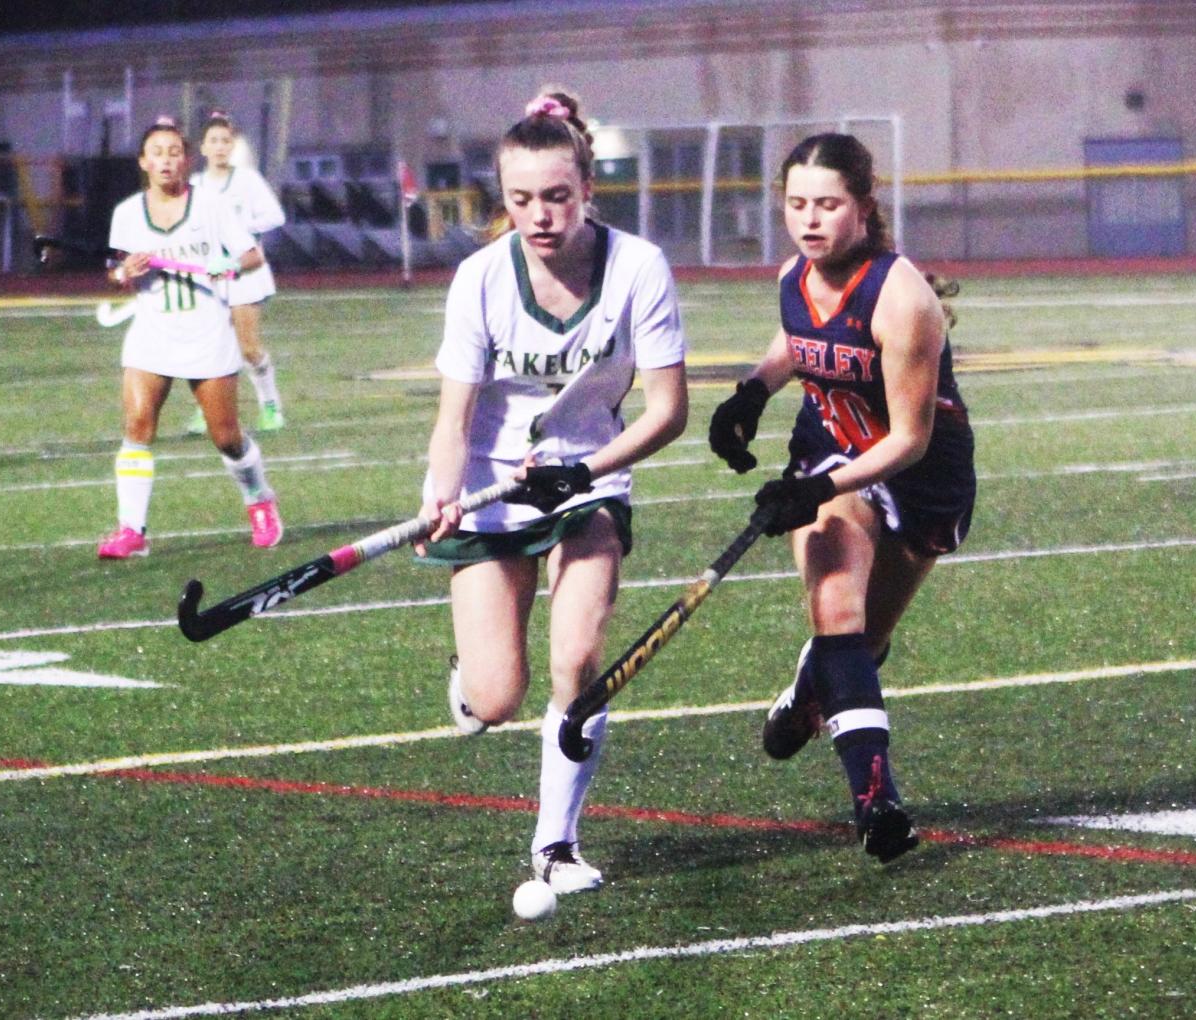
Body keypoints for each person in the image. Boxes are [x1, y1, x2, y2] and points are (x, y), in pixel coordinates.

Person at [414, 90, 689, 894]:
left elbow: (668, 412)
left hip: (587, 481)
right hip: (489, 487)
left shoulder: (638, 267)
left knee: (579, 658)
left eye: (557, 196)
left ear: (587, 191)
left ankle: (554, 845)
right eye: (522, 199)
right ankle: (471, 673)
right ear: (502, 200)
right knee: (497, 698)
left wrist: (588, 474)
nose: (541, 215)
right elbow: (453, 418)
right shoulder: (479, 279)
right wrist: (440, 495)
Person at [708, 132, 976, 863]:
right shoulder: (794, 274)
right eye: (796, 204)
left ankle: (810, 690)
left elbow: (908, 441)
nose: (809, 219)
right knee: (836, 611)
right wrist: (751, 391)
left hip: (919, 473)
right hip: (830, 444)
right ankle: (876, 803)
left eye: (827, 204)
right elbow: (799, 337)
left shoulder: (902, 299)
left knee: (867, 641)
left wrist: (812, 491)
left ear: (863, 206)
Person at [98, 115, 284, 559]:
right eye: (157, 153)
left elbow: (252, 255)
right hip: (151, 336)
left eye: (174, 153)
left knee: (227, 437)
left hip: (206, 336)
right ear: (144, 162)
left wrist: (229, 267)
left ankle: (260, 500)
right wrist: (126, 272)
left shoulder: (212, 207)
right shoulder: (127, 213)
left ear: (187, 160)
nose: (166, 161)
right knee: (138, 428)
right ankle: (132, 531)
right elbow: (114, 273)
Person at [187, 109, 288, 435]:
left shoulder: (247, 180)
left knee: (248, 348)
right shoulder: (193, 186)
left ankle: (270, 406)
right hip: (210, 277)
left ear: (232, 146)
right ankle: (208, 410)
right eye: (213, 141)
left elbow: (276, 217)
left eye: (225, 141)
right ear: (202, 148)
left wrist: (240, 226)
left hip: (245, 273)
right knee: (209, 347)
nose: (219, 147)